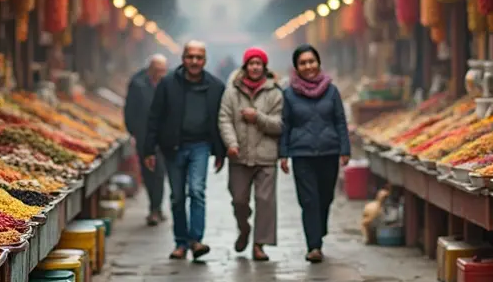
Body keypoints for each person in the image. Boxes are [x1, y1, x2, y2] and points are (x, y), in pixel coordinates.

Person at [143, 41, 226, 260]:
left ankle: (196, 240)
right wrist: (148, 150)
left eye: (199, 57)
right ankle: (181, 242)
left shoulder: (216, 87)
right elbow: (155, 117)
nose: (194, 62)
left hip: (201, 146)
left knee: (197, 191)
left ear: (205, 60)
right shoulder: (168, 84)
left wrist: (220, 151)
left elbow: (221, 120)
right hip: (174, 147)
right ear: (183, 59)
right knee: (177, 197)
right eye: (190, 57)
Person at [279, 44, 351, 263]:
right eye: (303, 63)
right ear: (296, 67)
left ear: (318, 63)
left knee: (325, 197)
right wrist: (283, 154)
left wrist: (345, 149)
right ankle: (314, 246)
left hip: (329, 151)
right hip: (302, 154)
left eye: (311, 61)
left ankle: (318, 230)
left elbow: (340, 120)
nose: (308, 66)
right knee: (309, 200)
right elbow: (285, 125)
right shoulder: (289, 94)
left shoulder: (332, 90)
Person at [218, 48, 283, 262]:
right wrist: (231, 143)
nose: (255, 67)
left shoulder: (274, 92)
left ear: (264, 67)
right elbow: (224, 119)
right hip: (239, 156)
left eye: (259, 63)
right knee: (239, 199)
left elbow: (279, 125)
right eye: (251, 63)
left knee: (265, 201)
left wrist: (258, 118)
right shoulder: (232, 92)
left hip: (266, 156)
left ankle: (259, 245)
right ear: (245, 67)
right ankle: (244, 227)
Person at [124, 55, 169, 226]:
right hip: (144, 135)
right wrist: (134, 131)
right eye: (157, 70)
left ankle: (155, 208)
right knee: (148, 172)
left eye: (163, 70)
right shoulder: (138, 84)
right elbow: (130, 110)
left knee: (159, 172)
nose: (160, 74)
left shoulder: (169, 83)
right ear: (150, 69)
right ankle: (155, 206)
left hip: (163, 136)